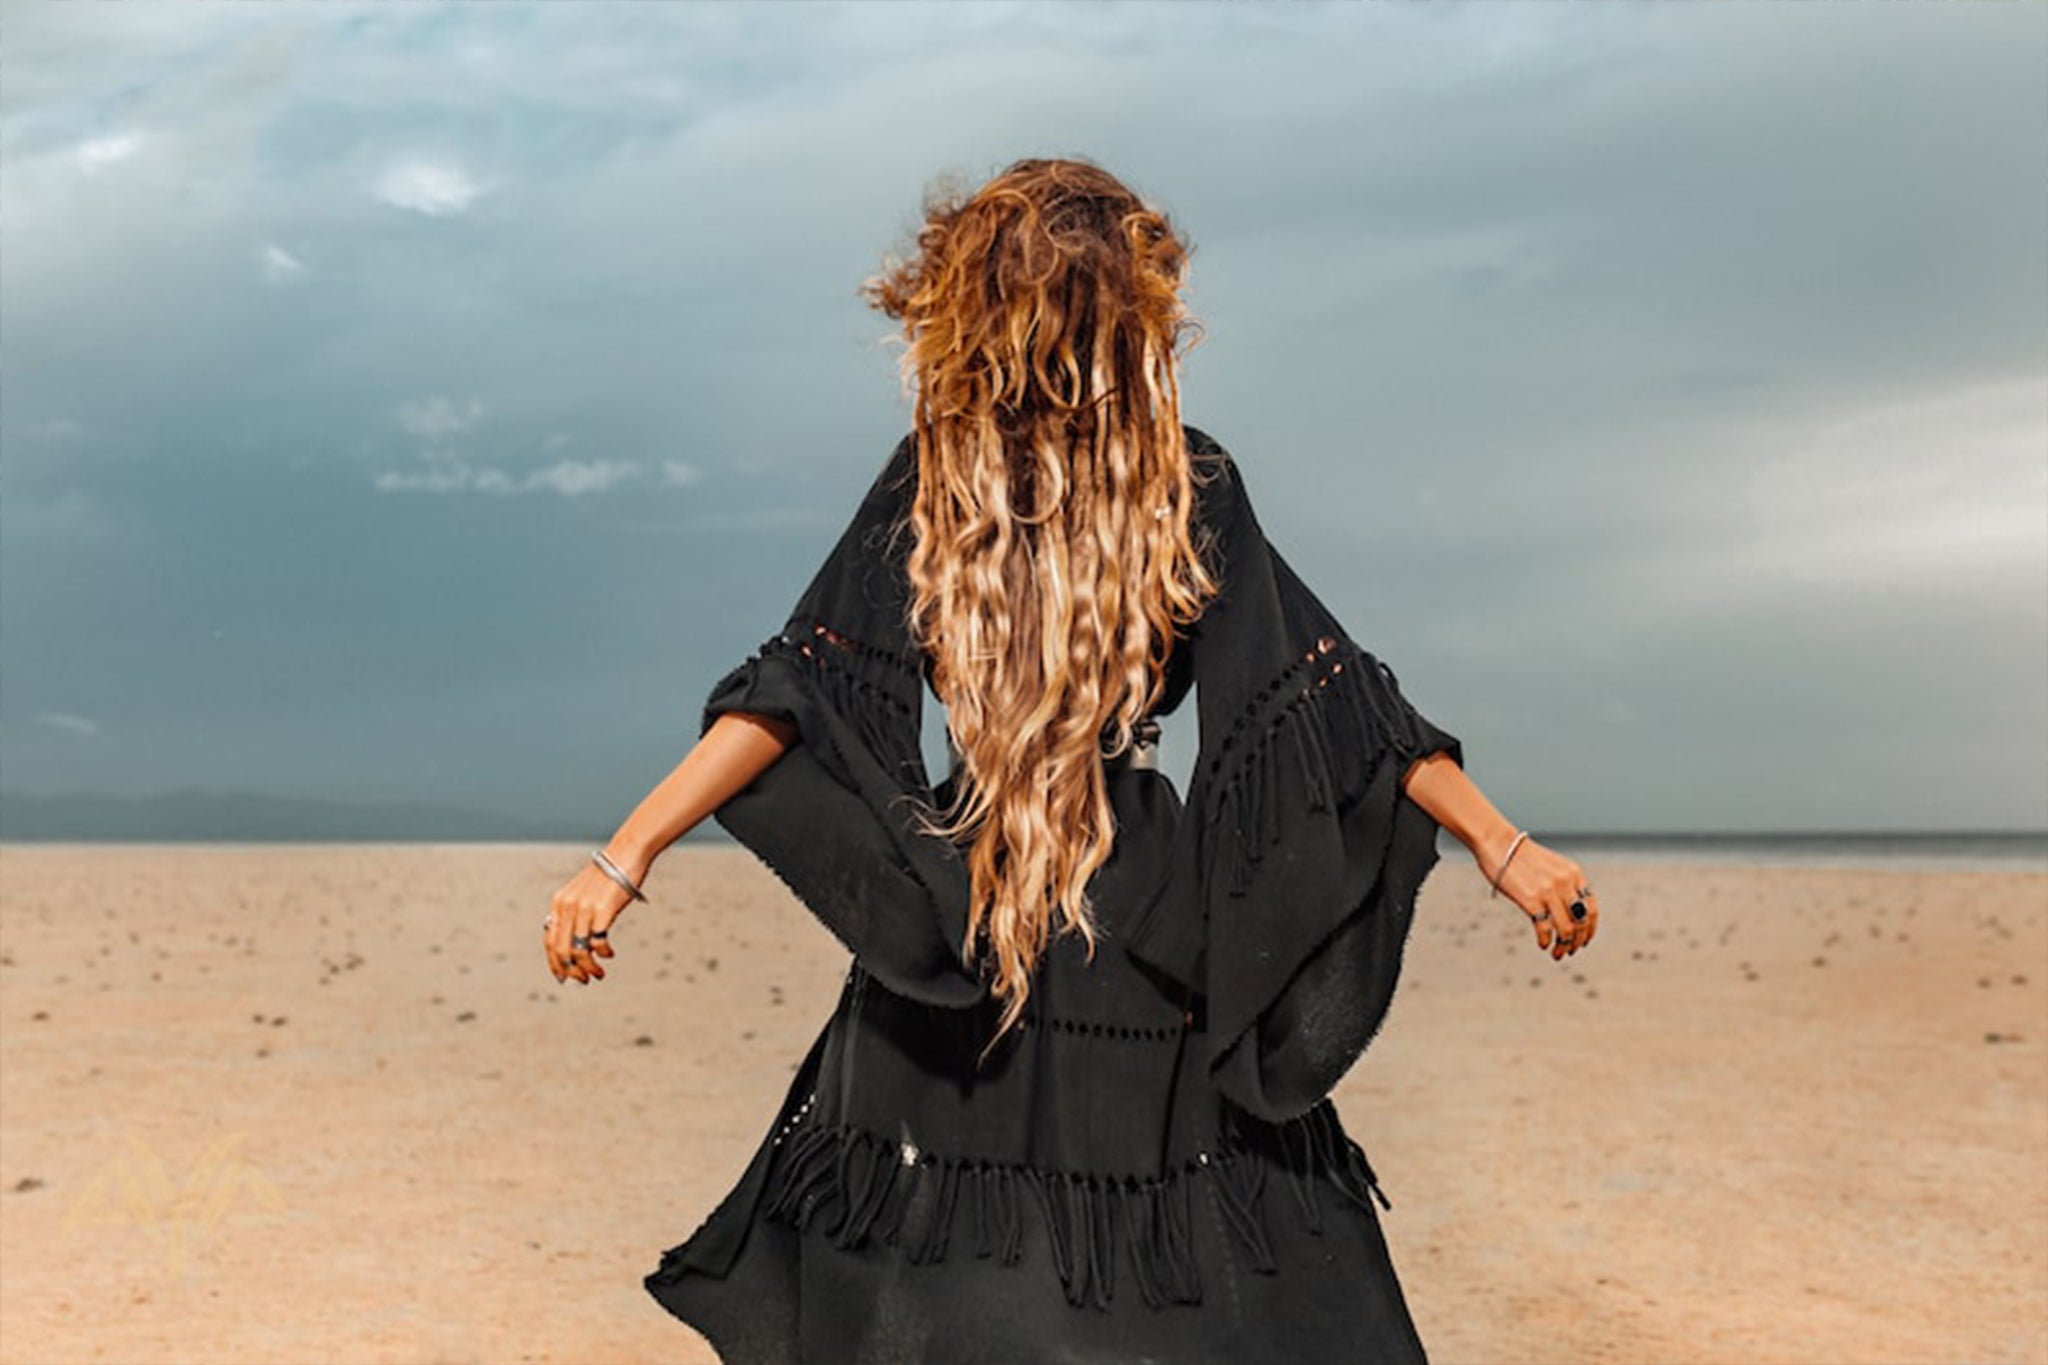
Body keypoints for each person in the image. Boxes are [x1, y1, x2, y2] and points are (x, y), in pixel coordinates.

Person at [544, 156, 1601, 1365]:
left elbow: (1322, 690)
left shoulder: (1185, 482)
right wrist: (620, 857)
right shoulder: (937, 477)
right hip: (985, 916)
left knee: (1085, 1277)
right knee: (991, 1278)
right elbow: (802, 685)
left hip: (1077, 921)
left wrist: (1502, 846)